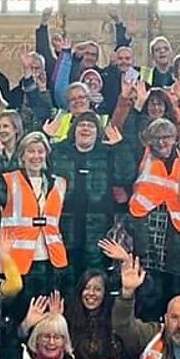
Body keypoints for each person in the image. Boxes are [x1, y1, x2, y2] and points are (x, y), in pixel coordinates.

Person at [125, 119, 180, 322]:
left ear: (175, 138)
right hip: (146, 230)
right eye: (156, 138)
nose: (161, 142)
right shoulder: (142, 155)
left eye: (166, 137)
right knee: (149, 289)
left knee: (177, 287)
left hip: (178, 232)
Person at [0, 131, 71, 309]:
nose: (36, 156)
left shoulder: (59, 183)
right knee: (20, 311)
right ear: (22, 155)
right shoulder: (8, 180)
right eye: (31, 151)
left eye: (40, 151)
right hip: (18, 259)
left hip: (51, 259)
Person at [51, 112, 134, 270]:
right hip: (65, 227)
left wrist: (120, 146)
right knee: (65, 272)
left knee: (95, 275)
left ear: (98, 132)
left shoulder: (108, 154)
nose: (86, 128)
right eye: (81, 125)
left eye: (91, 126)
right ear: (73, 130)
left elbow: (126, 176)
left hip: (99, 230)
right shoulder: (59, 152)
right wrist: (46, 135)